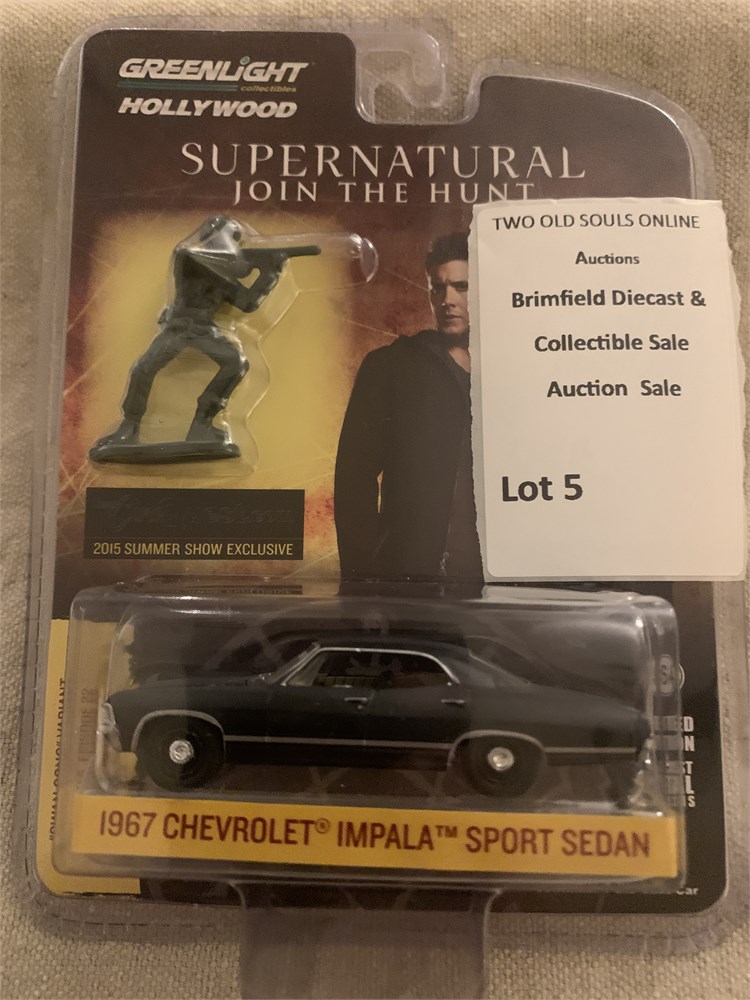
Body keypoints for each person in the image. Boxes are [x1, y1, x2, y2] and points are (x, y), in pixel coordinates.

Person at [334, 232, 483, 588]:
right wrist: (362, 579)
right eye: (437, 288)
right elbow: (353, 480)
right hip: (407, 581)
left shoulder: (518, 371)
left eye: (462, 287)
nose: (448, 300)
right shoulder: (390, 366)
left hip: (494, 582)